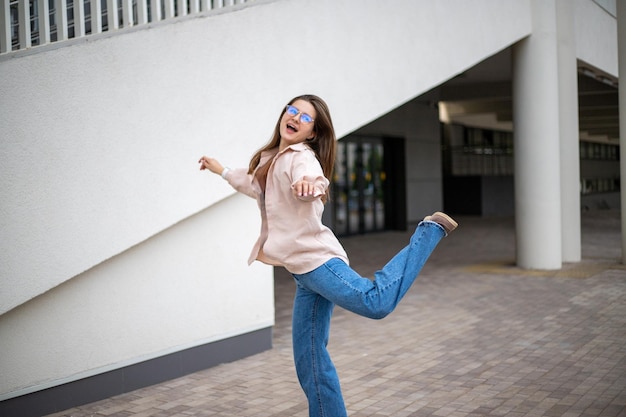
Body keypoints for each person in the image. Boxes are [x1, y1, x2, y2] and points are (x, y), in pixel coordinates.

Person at [198, 94, 457, 417]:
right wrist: (220, 170)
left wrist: (310, 186)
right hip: (303, 273)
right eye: (292, 110)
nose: (295, 117)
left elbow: (312, 178)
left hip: (319, 263)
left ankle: (429, 231)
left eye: (305, 117)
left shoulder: (300, 157)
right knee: (309, 357)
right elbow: (253, 185)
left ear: (313, 133)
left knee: (374, 302)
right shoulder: (270, 159)